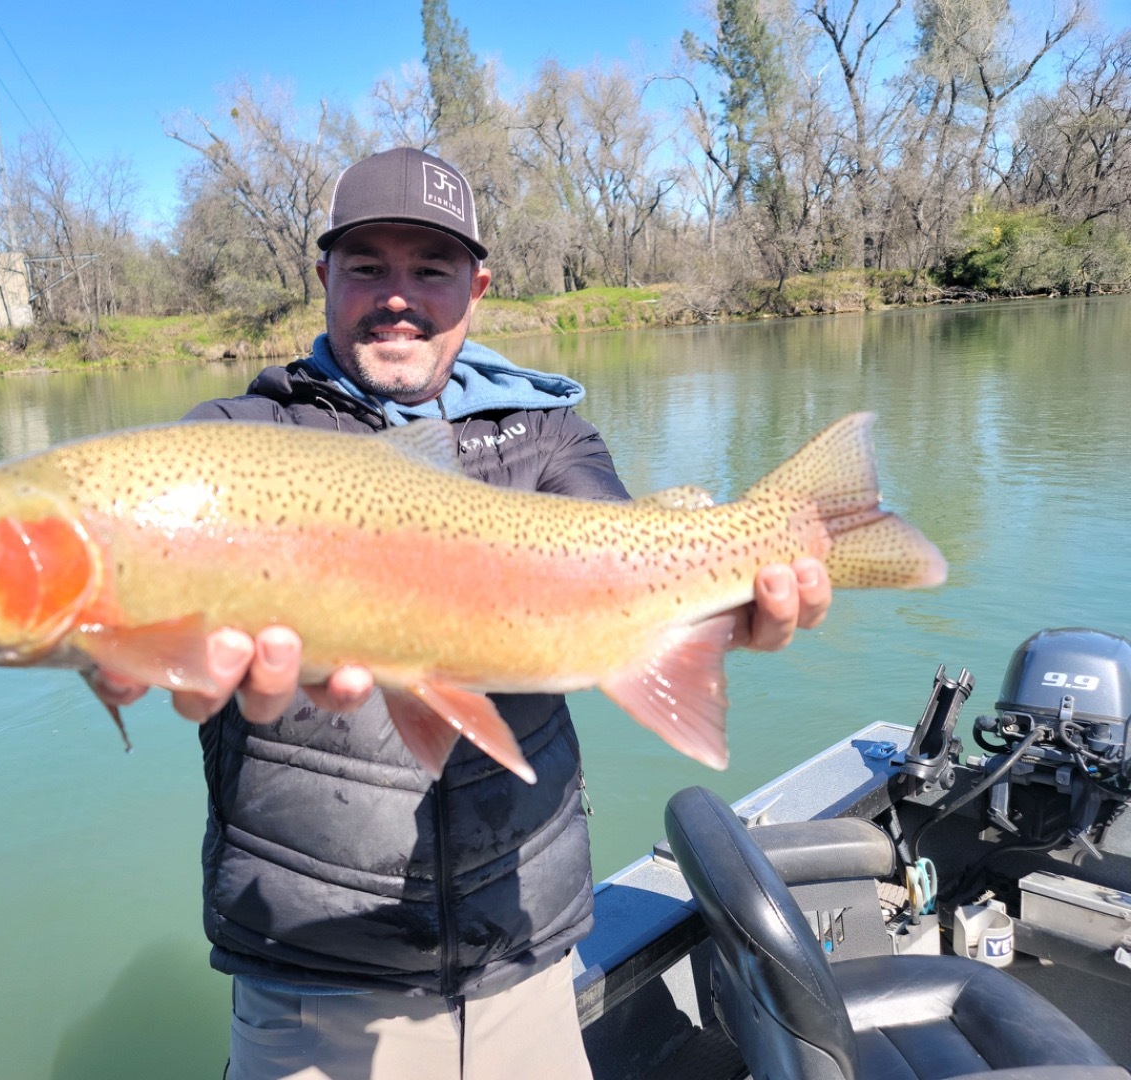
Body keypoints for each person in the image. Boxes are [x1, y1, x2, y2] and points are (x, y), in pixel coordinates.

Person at [177, 147, 831, 1080]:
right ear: (322, 277)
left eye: (430, 268)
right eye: (367, 266)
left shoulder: (547, 432)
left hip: (524, 965)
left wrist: (720, 608)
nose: (397, 295)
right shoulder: (243, 439)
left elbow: (620, 554)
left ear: (476, 287)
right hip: (312, 989)